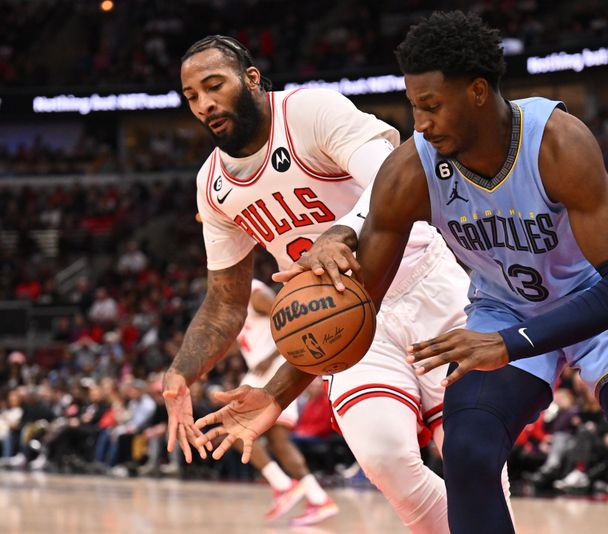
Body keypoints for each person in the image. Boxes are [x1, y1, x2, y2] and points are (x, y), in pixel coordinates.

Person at [197, 11, 608, 534]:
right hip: (507, 311)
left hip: (601, 309)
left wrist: (507, 342)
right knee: (467, 455)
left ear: (476, 92)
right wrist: (275, 395)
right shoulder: (411, 172)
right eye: (413, 106)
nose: (419, 124)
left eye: (431, 105)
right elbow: (356, 299)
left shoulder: (556, 144)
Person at [164, 34, 479, 532]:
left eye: (213, 86)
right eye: (192, 96)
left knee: (471, 458)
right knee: (384, 460)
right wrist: (181, 372)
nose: (204, 104)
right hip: (347, 326)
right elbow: (226, 303)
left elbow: (392, 168)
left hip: (422, 285)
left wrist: (341, 230)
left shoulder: (307, 110)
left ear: (250, 80)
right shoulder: (212, 187)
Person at [232, 278, 336, 525]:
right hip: (268, 373)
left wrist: (270, 356)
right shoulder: (235, 302)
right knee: (279, 441)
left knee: (234, 430)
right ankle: (319, 499)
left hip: (272, 371)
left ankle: (282, 485)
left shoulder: (254, 294)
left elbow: (292, 321)